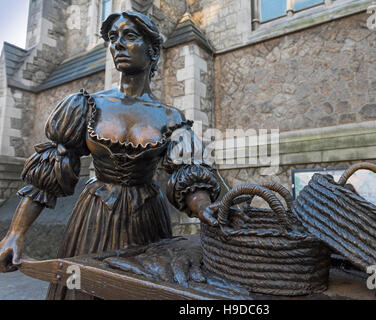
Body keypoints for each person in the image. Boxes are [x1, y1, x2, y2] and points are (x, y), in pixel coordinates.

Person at [0, 10, 220, 299]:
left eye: (129, 36)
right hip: (94, 218)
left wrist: (203, 207)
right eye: (113, 38)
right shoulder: (86, 105)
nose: (117, 44)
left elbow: (187, 175)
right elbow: (46, 177)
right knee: (84, 291)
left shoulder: (171, 117)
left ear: (152, 51)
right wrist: (15, 233)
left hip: (148, 222)